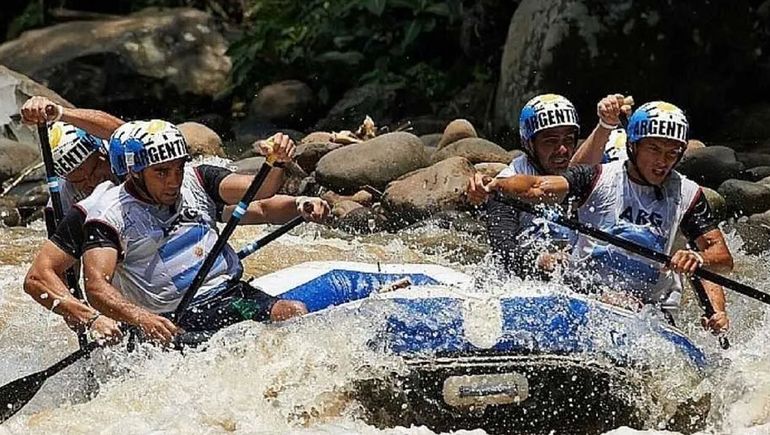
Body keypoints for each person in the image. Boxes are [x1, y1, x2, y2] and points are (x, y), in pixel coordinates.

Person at [470, 101, 731, 332]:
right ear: (633, 146)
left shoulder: (687, 193)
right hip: (587, 296)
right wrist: (494, 185)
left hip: (652, 310)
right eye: (654, 149)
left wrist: (712, 296)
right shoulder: (595, 177)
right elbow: (537, 187)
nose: (662, 161)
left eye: (671, 152)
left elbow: (719, 258)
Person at [81, 120, 330, 345]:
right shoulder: (108, 216)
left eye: (178, 168)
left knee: (292, 311)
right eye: (161, 172)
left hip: (228, 296)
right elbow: (96, 288)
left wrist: (277, 163)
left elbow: (259, 191)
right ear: (134, 173)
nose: (174, 181)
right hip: (171, 321)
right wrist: (143, 319)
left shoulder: (198, 179)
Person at [475, 93, 630, 278]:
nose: (562, 150)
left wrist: (611, 122)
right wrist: (538, 260)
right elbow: (502, 251)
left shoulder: (581, 177)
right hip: (526, 277)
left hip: (574, 274)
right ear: (529, 144)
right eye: (550, 141)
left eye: (568, 140)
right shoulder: (506, 184)